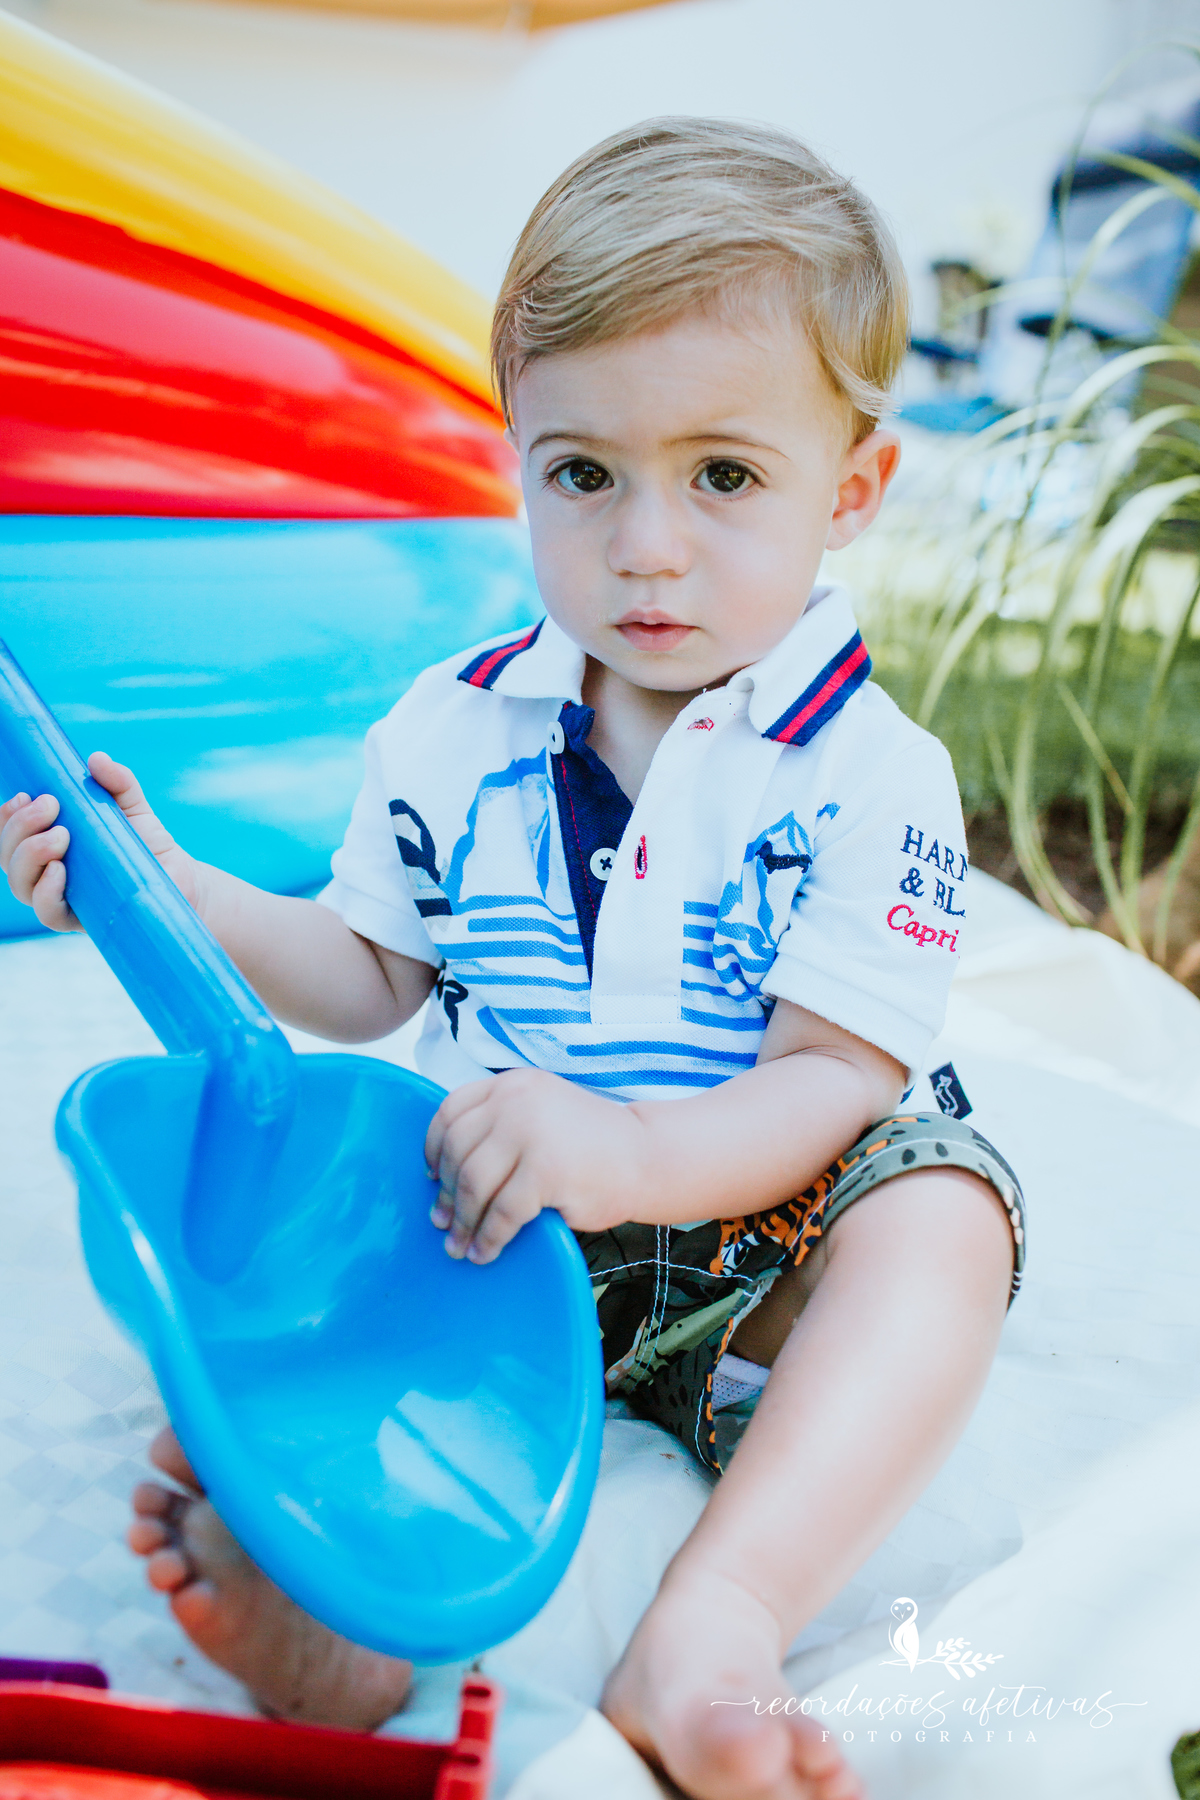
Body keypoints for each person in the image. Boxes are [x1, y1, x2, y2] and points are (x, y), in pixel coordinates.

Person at [0, 118, 1024, 1800]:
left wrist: (627, 1151)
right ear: (517, 456)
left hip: (763, 1241)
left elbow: (833, 1075)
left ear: (853, 489)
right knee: (333, 1212)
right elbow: (360, 978)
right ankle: (354, 1614)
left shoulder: (870, 770)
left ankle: (723, 1618)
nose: (645, 545)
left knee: (944, 1213)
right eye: (583, 474)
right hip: (499, 1215)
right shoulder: (450, 724)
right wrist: (160, 885)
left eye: (724, 476)